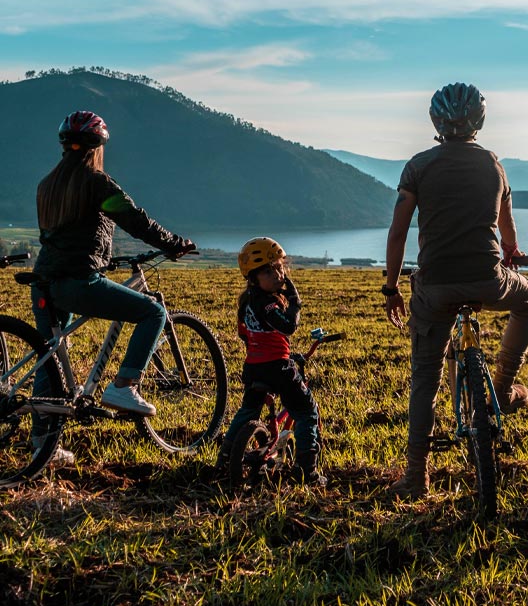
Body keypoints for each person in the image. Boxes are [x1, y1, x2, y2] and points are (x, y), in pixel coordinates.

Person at [383, 82, 528, 498]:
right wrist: (511, 251)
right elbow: (507, 228)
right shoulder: (493, 164)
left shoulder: (418, 166)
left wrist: (391, 287)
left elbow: (399, 233)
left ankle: (417, 476)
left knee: (424, 377)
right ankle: (504, 387)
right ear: (480, 120)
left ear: (435, 121)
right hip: (489, 280)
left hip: (434, 286)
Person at [32, 111, 194, 461]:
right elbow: (136, 220)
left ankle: (41, 446)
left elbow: (65, 237)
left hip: (44, 280)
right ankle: (124, 387)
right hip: (78, 282)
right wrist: (174, 243)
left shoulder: (47, 185)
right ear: (98, 147)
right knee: (153, 312)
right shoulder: (97, 183)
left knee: (50, 358)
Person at [214, 237, 325, 486]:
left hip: (254, 367)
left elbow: (247, 335)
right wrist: (294, 301)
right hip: (277, 368)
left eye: (278, 267)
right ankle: (308, 472)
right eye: (267, 270)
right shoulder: (267, 304)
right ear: (253, 278)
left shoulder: (247, 303)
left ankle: (224, 458)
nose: (276, 274)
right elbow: (287, 326)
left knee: (248, 411)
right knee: (307, 412)